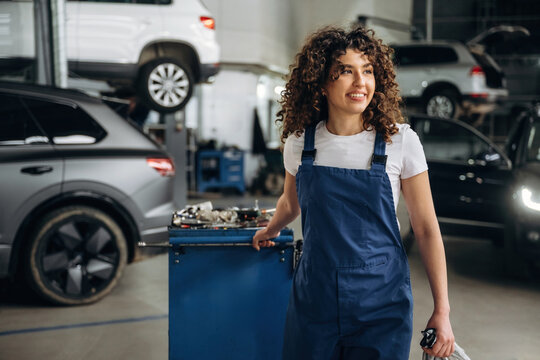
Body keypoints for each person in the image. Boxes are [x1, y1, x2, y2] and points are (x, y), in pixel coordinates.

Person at [252, 25, 455, 360]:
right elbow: (291, 202)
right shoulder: (300, 143)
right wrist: (271, 229)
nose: (361, 83)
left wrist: (442, 312)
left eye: (368, 71)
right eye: (346, 71)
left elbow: (426, 229)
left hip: (382, 306)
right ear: (320, 81)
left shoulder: (400, 142)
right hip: (315, 303)